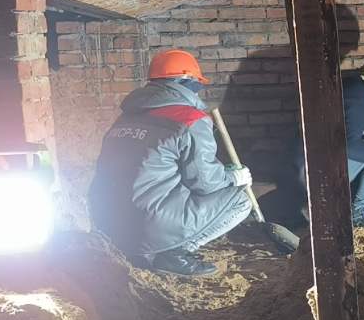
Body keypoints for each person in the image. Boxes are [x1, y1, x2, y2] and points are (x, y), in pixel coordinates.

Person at [89, 48, 252, 277]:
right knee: (240, 201)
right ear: (186, 82)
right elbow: (206, 183)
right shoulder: (190, 119)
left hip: (110, 225)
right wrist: (233, 177)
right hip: (148, 224)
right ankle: (173, 254)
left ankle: (139, 247)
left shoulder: (126, 117)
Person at [268, 53, 364, 230]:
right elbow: (348, 145)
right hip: (310, 172)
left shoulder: (357, 90)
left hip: (308, 164)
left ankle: (324, 206)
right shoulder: (358, 102)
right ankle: (351, 214)